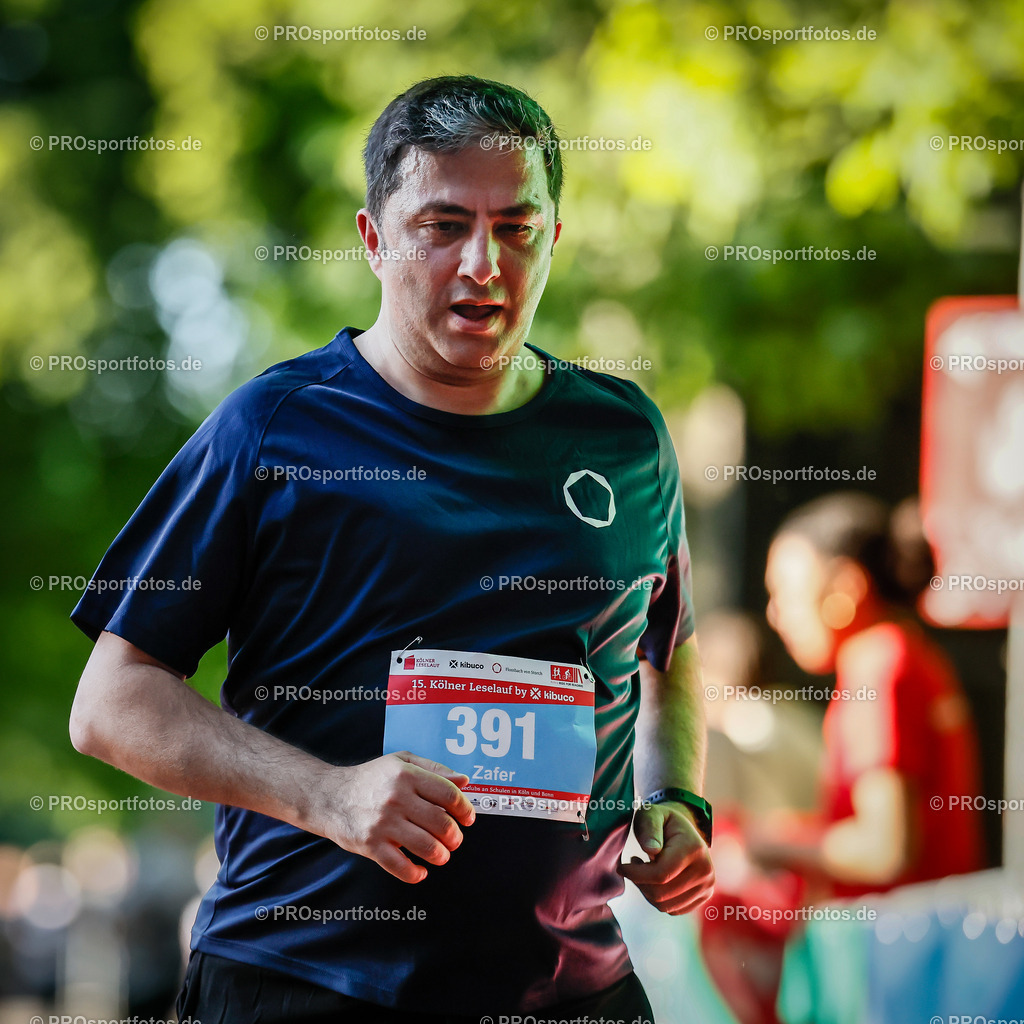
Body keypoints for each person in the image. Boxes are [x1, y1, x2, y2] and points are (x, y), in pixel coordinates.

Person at [67, 75, 714, 1022]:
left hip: (574, 991)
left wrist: (678, 800)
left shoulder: (626, 435)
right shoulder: (276, 430)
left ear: (554, 241)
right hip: (304, 982)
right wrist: (327, 795)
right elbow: (110, 704)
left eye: (517, 228)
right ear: (373, 240)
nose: (484, 264)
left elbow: (669, 651)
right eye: (443, 225)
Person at [751, 492, 984, 897]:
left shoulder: (875, 664)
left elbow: (885, 849)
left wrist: (770, 841)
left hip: (899, 944)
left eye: (785, 592)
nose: (775, 614)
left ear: (846, 588)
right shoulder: (910, 654)